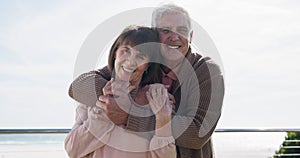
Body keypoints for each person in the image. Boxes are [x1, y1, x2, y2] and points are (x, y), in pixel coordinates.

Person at [68, 4, 224, 158]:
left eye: (182, 30)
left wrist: (129, 113)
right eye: (165, 30)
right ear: (155, 35)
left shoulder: (208, 71)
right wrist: (135, 97)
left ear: (191, 36)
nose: (174, 37)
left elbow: (197, 134)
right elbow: (78, 86)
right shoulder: (142, 61)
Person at [65, 26, 176, 158]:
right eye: (126, 51)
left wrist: (162, 119)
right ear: (115, 53)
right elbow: (73, 150)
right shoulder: (92, 95)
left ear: (148, 65)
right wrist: (106, 111)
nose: (130, 61)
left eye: (140, 56)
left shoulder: (157, 96)